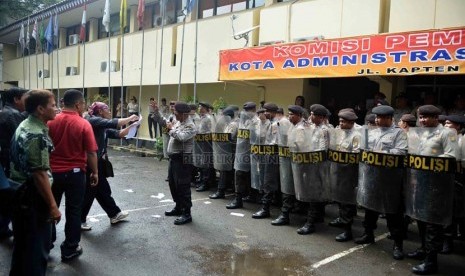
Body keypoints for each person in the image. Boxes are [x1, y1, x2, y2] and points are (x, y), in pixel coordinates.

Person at [9, 89, 61, 275]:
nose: (57, 108)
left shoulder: (25, 124)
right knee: (36, 251)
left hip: (20, 192)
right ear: (40, 109)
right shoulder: (36, 134)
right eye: (53, 105)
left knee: (23, 247)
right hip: (32, 197)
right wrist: (53, 206)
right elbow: (39, 174)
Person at [404, 105, 458, 274]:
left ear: (436, 117)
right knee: (420, 217)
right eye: (421, 117)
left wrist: (427, 163)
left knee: (432, 223)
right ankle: (423, 249)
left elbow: (451, 156)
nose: (422, 120)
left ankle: (431, 261)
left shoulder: (447, 133)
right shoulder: (419, 133)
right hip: (419, 181)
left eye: (427, 117)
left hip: (437, 183)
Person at [48, 89, 99, 261]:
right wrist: (95, 172)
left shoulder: (50, 121)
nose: (84, 107)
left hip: (53, 173)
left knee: (49, 207)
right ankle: (70, 248)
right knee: (74, 211)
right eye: (83, 104)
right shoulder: (83, 124)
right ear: (78, 104)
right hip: (75, 174)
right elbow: (91, 153)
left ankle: (47, 242)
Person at [355, 105, 407, 260]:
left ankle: (398, 244)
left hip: (390, 178)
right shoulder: (372, 132)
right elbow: (363, 150)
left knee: (392, 212)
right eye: (376, 118)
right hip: (372, 176)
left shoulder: (399, 133)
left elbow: (401, 152)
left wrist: (380, 153)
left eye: (381, 118)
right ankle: (368, 234)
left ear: (390, 118)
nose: (377, 120)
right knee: (370, 208)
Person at [80, 102, 138, 231]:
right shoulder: (93, 120)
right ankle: (80, 220)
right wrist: (130, 118)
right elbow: (114, 123)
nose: (110, 112)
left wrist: (133, 126)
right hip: (90, 162)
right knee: (90, 192)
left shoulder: (102, 126)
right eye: (107, 109)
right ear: (100, 111)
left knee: (102, 190)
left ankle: (114, 214)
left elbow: (119, 134)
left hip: (98, 162)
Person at [328, 109, 361, 242]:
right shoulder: (339, 133)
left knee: (347, 201)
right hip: (338, 170)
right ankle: (342, 220)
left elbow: (356, 154)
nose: (340, 124)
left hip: (350, 172)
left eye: (344, 121)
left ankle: (347, 230)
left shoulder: (357, 135)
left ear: (351, 122)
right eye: (340, 121)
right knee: (340, 198)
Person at [0, 87, 28, 239]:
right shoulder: (13, 115)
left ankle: (3, 227)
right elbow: (20, 142)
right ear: (17, 99)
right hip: (9, 164)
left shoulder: (7, 112)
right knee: (12, 199)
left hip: (5, 163)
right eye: (26, 97)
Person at [164, 102, 197, 225]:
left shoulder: (190, 126)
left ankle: (186, 213)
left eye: (176, 113)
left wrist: (171, 129)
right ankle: (178, 207)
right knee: (173, 184)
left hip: (184, 158)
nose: (174, 115)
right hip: (174, 158)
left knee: (183, 186)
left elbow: (182, 137)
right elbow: (165, 122)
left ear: (183, 114)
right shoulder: (178, 122)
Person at [271, 105, 302, 226]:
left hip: (298, 163)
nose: (289, 116)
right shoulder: (291, 126)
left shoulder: (302, 128)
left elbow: (299, 146)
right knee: (288, 187)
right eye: (288, 114)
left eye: (292, 114)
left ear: (299, 115)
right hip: (289, 161)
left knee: (295, 188)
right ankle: (285, 214)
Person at [251, 103, 280, 219]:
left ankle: (265, 209)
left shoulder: (276, 124)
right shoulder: (270, 123)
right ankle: (266, 206)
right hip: (267, 154)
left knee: (269, 181)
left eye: (266, 111)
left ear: (272, 112)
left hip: (272, 155)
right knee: (266, 179)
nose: (264, 113)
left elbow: (274, 141)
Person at [226, 102, 257, 209]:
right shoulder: (241, 122)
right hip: (241, 153)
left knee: (250, 176)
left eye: (249, 110)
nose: (246, 112)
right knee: (239, 174)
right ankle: (238, 199)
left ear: (254, 110)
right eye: (245, 110)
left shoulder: (257, 122)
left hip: (252, 153)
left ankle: (252, 195)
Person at [209, 107, 238, 199]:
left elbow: (229, 137)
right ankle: (229, 188)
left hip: (230, 150)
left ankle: (220, 191)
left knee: (223, 171)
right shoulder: (230, 123)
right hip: (229, 150)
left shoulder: (233, 124)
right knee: (228, 171)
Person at [194, 102, 214, 192]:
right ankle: (202, 181)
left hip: (206, 143)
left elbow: (211, 131)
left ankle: (206, 183)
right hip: (200, 143)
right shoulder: (201, 118)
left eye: (201, 107)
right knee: (202, 163)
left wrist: (202, 135)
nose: (199, 109)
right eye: (199, 107)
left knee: (206, 163)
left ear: (205, 108)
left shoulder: (209, 118)